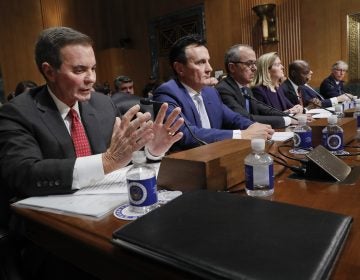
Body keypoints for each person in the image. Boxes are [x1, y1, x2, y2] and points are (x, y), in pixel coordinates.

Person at [0, 26, 184, 278]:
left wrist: (152, 151)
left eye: (93, 68)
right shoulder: (18, 112)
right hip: (50, 237)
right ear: (48, 71)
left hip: (110, 213)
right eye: (79, 70)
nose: (91, 78)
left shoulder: (102, 103)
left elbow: (126, 157)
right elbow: (24, 173)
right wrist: (107, 161)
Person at [153, 34, 274, 151]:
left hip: (216, 155)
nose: (209, 68)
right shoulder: (167, 93)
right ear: (180, 68)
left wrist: (252, 126)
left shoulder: (210, 92)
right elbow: (185, 134)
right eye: (201, 62)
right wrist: (241, 134)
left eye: (208, 61)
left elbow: (234, 118)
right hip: (188, 162)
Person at [216, 44, 297, 128]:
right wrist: (288, 120)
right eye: (249, 64)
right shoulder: (224, 89)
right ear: (232, 67)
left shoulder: (246, 90)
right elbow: (245, 118)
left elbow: (264, 109)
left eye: (254, 63)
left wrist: (290, 115)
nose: (255, 68)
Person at [281, 60, 351, 108]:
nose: (311, 72)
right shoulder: (286, 88)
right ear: (294, 74)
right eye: (306, 71)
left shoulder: (300, 85)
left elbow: (310, 105)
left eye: (344, 71)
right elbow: (293, 111)